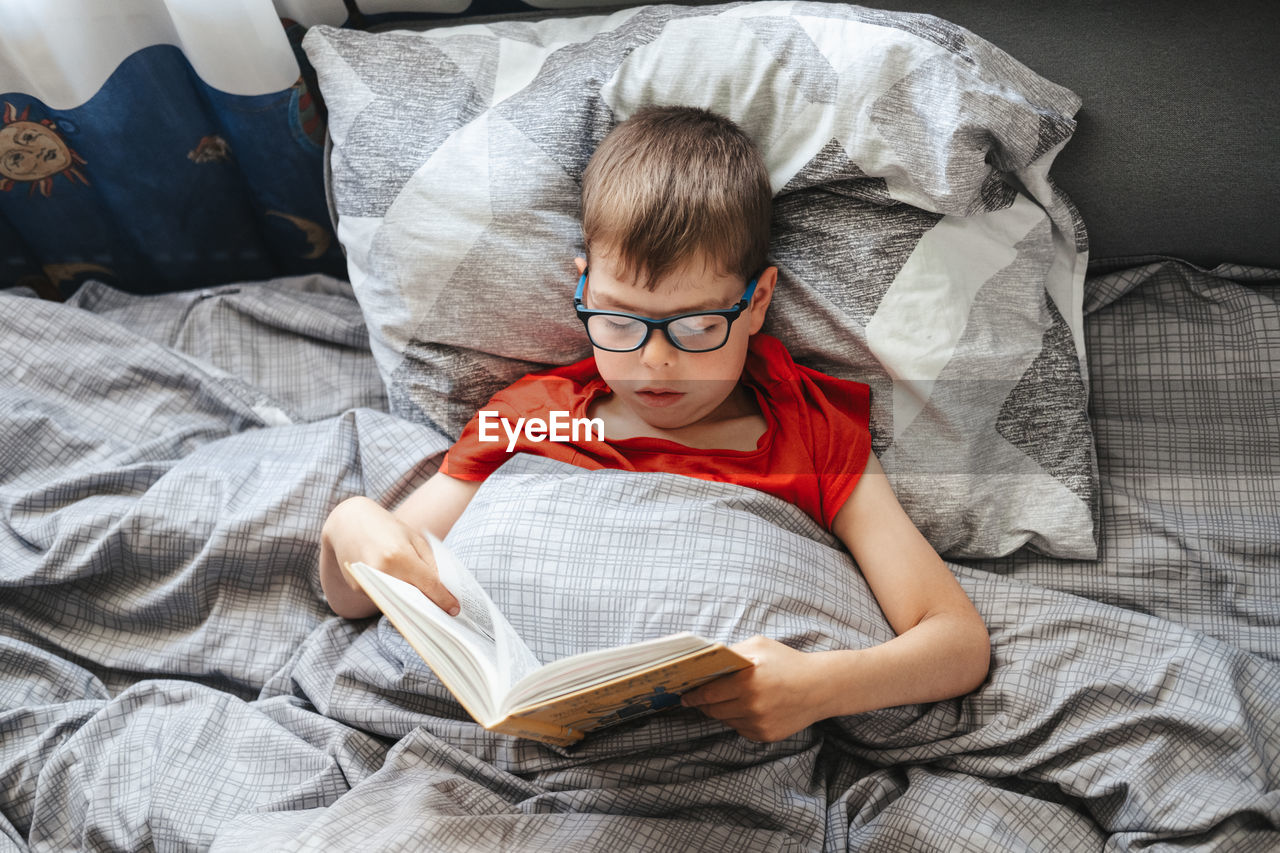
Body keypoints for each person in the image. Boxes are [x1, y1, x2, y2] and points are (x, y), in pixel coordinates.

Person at [319, 106, 990, 743]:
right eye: (618, 320)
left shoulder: (807, 436)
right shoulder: (533, 414)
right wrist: (349, 525)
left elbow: (955, 642)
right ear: (583, 289)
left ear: (756, 302)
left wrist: (818, 686)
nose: (655, 362)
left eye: (698, 325)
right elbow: (359, 597)